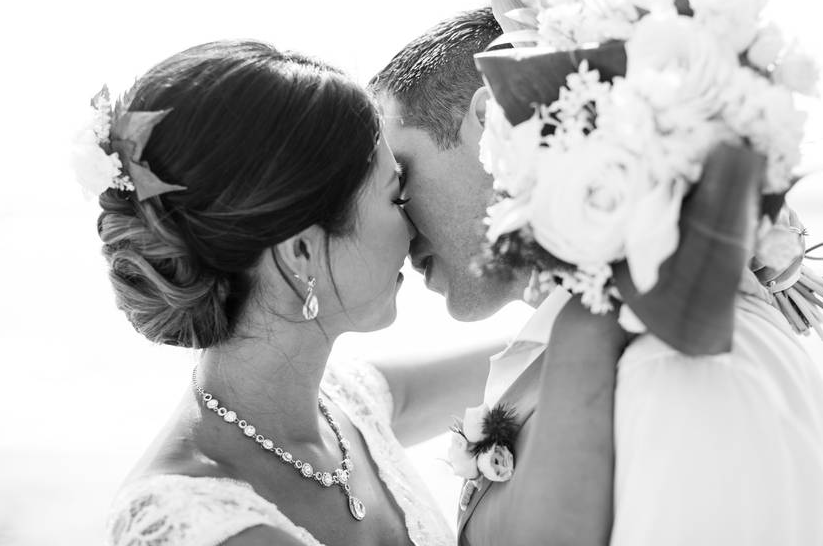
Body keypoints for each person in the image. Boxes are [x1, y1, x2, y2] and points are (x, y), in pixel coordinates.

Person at [99, 40, 627, 546]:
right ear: (300, 253)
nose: (414, 228)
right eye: (396, 198)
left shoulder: (350, 406)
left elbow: (531, 353)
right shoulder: (196, 523)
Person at [370, 8, 823, 546]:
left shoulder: (689, 365)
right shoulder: (578, 341)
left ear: (493, 118)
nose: (398, 226)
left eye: (402, 178)